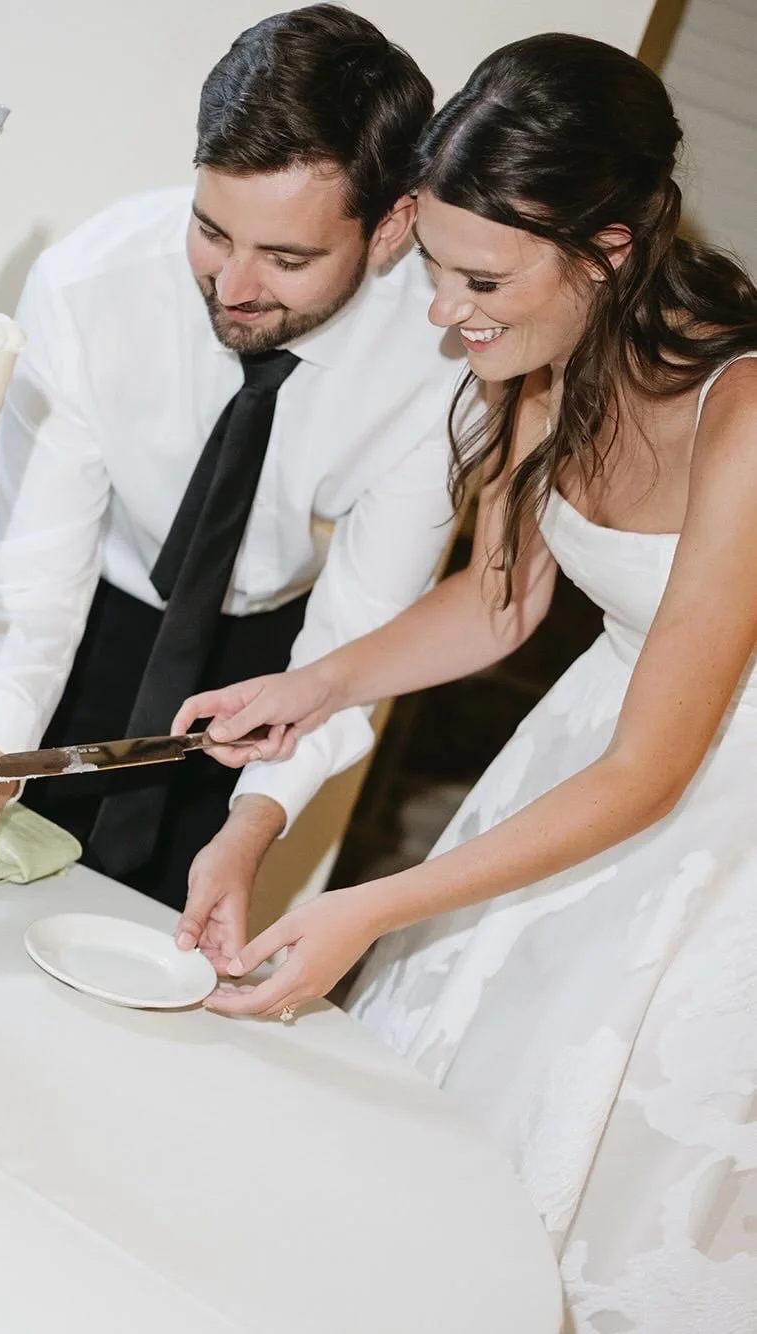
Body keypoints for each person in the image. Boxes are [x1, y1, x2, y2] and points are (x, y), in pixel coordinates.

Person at [173, 34, 757, 1321]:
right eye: (433, 266)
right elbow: (500, 599)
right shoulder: (548, 356)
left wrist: (370, 901)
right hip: (591, 746)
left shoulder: (744, 415)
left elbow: (655, 769)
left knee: (595, 1148)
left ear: (608, 249)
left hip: (715, 812)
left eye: (479, 278)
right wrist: (316, 684)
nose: (443, 311)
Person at [0, 5, 466, 928]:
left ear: (390, 227)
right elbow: (35, 577)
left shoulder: (443, 364)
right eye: (212, 232)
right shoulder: (88, 288)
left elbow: (357, 636)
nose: (233, 287)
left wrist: (254, 823)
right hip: (84, 626)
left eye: (285, 258)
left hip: (270, 674)